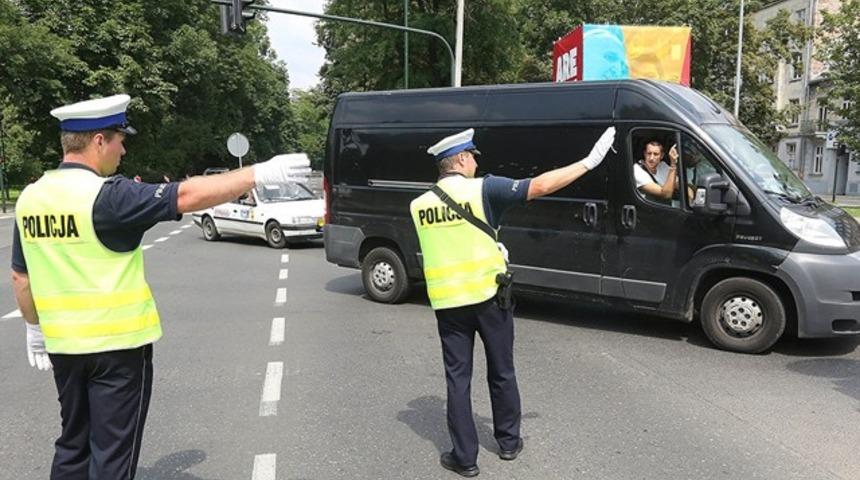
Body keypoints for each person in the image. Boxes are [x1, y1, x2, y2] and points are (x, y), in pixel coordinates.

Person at [11, 94, 297, 479]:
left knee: (73, 443)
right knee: (112, 457)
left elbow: (21, 277)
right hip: (117, 350)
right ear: (98, 141)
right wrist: (257, 174)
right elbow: (187, 194)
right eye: (119, 140)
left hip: (63, 347)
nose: (123, 150)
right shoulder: (108, 196)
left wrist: (33, 329)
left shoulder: (31, 198)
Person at [409, 126, 615, 477]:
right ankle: (508, 442)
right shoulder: (484, 188)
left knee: (457, 380)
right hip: (490, 299)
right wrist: (589, 162)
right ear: (460, 159)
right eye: (472, 156)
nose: (475, 161)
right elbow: (540, 186)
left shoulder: (420, 205)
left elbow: (450, 245)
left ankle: (465, 458)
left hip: (448, 304)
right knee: (501, 371)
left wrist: (491, 244)